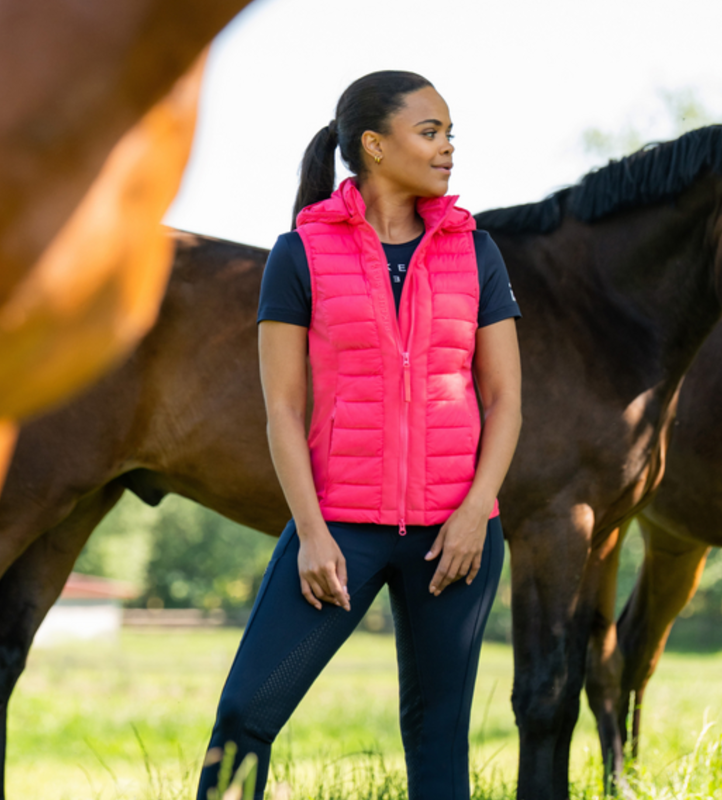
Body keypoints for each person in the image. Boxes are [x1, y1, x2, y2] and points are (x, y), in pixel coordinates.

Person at [197, 70, 522, 800]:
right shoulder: (301, 253)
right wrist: (312, 535)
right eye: (430, 132)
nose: (447, 148)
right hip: (339, 530)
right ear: (374, 145)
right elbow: (283, 409)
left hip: (456, 535)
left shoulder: (476, 252)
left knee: (439, 741)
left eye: (450, 134)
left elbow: (506, 401)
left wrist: (476, 511)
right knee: (245, 714)